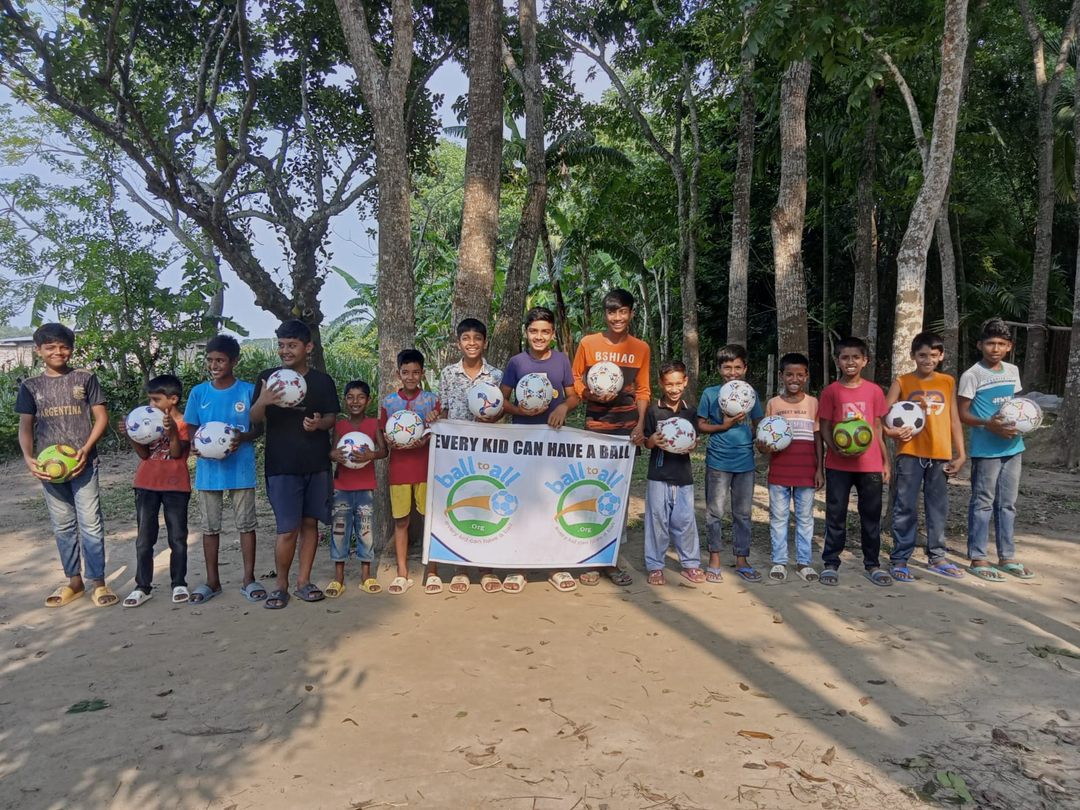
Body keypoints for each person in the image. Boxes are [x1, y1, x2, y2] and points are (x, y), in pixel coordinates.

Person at [16, 323, 117, 608]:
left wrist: (86, 448)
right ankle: (74, 581)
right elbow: (25, 425)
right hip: (49, 469)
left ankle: (98, 582)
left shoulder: (85, 378)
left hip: (84, 464)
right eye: (50, 347)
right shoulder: (31, 386)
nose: (57, 352)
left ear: (71, 349)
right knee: (63, 526)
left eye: (63, 347)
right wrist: (28, 457)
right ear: (39, 350)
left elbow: (101, 417)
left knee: (91, 523)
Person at [251, 320, 340, 609]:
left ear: (308, 347)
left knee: (310, 524)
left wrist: (319, 424)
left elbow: (331, 417)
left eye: (292, 345)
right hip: (281, 465)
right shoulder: (268, 378)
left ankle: (304, 582)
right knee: (287, 528)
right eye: (281, 345)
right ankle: (281, 586)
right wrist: (263, 400)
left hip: (316, 463)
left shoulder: (322, 381)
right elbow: (254, 419)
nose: (285, 351)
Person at [571, 288, 650, 587]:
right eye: (612, 312)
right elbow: (575, 378)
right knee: (592, 490)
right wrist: (588, 394)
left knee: (619, 495)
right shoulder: (588, 343)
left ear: (631, 313)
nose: (617, 317)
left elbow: (643, 390)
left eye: (623, 312)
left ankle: (611, 560)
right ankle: (591, 559)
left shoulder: (641, 348)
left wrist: (640, 425)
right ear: (605, 314)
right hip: (596, 429)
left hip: (625, 434)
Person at [501, 306, 581, 593]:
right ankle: (518, 567)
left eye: (545, 332)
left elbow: (574, 397)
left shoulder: (561, 360)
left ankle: (555, 565)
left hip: (554, 444)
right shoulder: (516, 363)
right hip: (523, 443)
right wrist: (517, 409)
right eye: (534, 331)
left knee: (553, 501)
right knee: (521, 501)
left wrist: (563, 407)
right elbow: (501, 400)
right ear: (526, 332)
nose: (539, 336)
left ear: (553, 334)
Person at [183, 335, 265, 604]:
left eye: (220, 360)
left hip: (241, 469)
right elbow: (192, 427)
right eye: (210, 360)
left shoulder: (248, 391)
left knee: (246, 525)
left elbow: (259, 428)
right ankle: (212, 581)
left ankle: (249, 579)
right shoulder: (199, 393)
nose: (214, 365)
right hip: (209, 472)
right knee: (210, 527)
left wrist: (243, 437)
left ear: (234, 361)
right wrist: (195, 444)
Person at [884, 332, 967, 581]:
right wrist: (890, 431)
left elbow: (954, 418)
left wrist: (961, 454)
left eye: (933, 355)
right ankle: (900, 558)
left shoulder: (947, 381)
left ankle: (937, 557)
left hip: (940, 454)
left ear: (941, 356)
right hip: (909, 453)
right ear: (913, 356)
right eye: (922, 355)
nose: (927, 359)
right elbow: (882, 414)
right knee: (905, 506)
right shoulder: (902, 381)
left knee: (937, 507)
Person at [958, 318, 1033, 581]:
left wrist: (1023, 423)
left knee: (1008, 504)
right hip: (986, 450)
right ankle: (978, 557)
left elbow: (1016, 406)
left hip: (1013, 447)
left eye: (1001, 344)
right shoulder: (972, 375)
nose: (995, 348)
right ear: (980, 345)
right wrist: (988, 424)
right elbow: (963, 413)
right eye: (990, 343)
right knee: (983, 503)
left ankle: (1007, 557)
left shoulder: (1012, 371)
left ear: (1009, 346)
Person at [818, 337, 892, 587]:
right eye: (845, 357)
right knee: (836, 514)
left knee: (870, 515)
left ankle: (872, 564)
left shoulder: (874, 391)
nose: (850, 362)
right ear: (837, 361)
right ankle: (830, 563)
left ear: (865, 361)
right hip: (838, 465)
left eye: (856, 357)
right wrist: (836, 448)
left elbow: (878, 428)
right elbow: (825, 426)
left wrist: (885, 462)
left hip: (870, 465)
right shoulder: (831, 392)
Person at [436, 318, 502, 594]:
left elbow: (501, 411)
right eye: (466, 338)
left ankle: (486, 567)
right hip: (456, 451)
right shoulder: (448, 374)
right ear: (458, 343)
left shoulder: (496, 375)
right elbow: (443, 410)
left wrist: (493, 418)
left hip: (487, 449)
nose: (471, 343)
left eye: (477, 338)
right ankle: (460, 568)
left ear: (485, 343)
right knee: (460, 503)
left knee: (485, 503)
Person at [119, 374, 192, 607]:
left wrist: (172, 432)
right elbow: (144, 454)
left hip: (176, 486)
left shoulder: (186, 423)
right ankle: (142, 586)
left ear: (173, 399)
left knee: (177, 537)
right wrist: (130, 433)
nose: (151, 405)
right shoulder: (147, 420)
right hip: (146, 484)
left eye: (156, 399)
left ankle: (179, 583)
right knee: (144, 538)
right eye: (150, 399)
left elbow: (177, 453)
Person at [697, 344, 764, 583]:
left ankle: (741, 559)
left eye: (737, 367)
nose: (732, 372)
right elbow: (700, 425)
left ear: (745, 368)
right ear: (719, 369)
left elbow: (758, 424)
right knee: (714, 512)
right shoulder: (710, 393)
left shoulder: (750, 394)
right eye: (727, 367)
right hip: (718, 461)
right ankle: (714, 559)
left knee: (743, 514)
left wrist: (760, 439)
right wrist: (723, 426)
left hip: (745, 463)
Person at [381, 348, 440, 595]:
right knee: (401, 520)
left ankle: (433, 571)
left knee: (430, 519)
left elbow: (440, 431)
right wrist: (388, 441)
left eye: (416, 372)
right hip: (400, 469)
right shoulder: (388, 403)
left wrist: (428, 435)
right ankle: (402, 572)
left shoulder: (432, 401)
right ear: (399, 374)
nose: (411, 377)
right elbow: (383, 434)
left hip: (426, 466)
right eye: (406, 372)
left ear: (422, 373)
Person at [760, 352, 823, 583]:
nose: (794, 379)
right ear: (781, 376)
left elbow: (818, 438)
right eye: (789, 374)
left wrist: (820, 469)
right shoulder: (773, 404)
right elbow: (765, 438)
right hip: (780, 471)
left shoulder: (813, 403)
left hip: (807, 471)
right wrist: (762, 447)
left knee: (805, 518)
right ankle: (779, 561)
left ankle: (804, 562)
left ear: (806, 376)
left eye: (799, 374)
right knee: (779, 518)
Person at [642, 360, 703, 585]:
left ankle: (690, 564)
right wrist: (652, 440)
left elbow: (693, 440)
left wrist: (692, 444)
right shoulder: (654, 410)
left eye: (678, 383)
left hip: (683, 475)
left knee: (685, 520)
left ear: (685, 381)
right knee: (657, 520)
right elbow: (646, 442)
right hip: (658, 474)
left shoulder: (690, 411)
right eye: (669, 384)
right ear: (661, 383)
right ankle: (655, 566)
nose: (674, 389)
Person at [326, 380, 387, 597]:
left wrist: (372, 454)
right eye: (350, 397)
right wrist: (333, 455)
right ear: (345, 400)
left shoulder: (374, 424)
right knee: (340, 531)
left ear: (368, 400)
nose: (355, 401)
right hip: (342, 487)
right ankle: (338, 578)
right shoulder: (340, 426)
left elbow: (384, 451)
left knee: (365, 531)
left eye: (361, 397)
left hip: (365, 487)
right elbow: (332, 452)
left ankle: (366, 576)